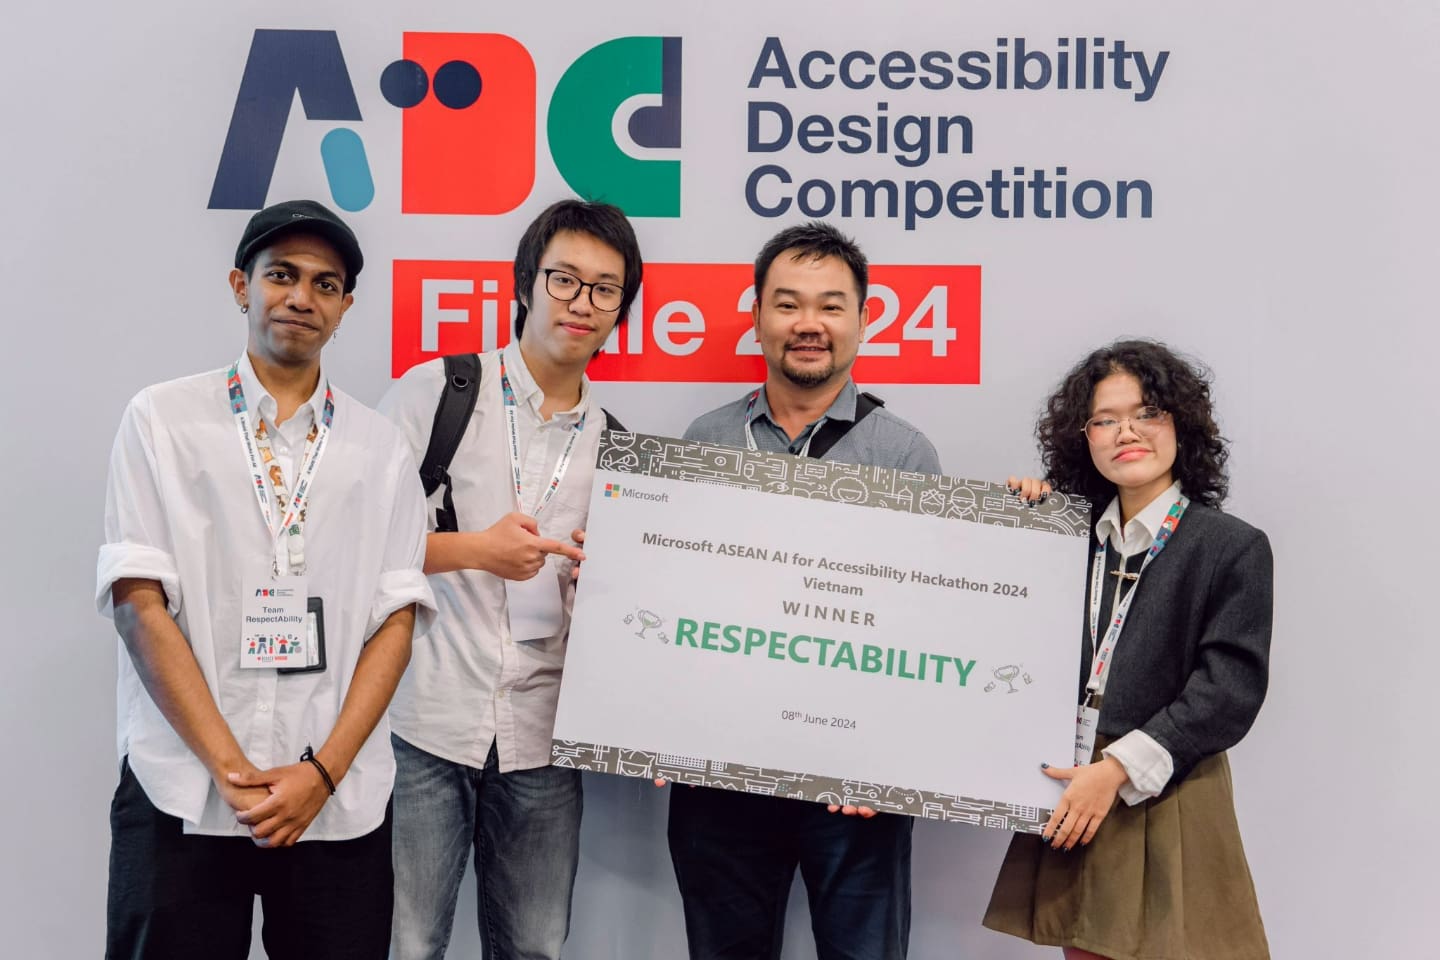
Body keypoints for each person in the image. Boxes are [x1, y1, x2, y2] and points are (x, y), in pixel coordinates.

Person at [97, 199, 436, 960]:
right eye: (281, 275)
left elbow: (398, 621)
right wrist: (231, 770)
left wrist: (322, 772)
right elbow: (138, 604)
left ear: (346, 306)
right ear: (240, 285)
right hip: (183, 789)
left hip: (335, 801)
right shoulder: (161, 421)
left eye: (325, 284)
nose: (300, 298)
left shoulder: (381, 451)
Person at [665, 221, 940, 960]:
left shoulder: (904, 454)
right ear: (756, 317)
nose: (808, 325)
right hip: (721, 774)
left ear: (861, 319)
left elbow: (924, 620)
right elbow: (671, 599)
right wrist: (648, 719)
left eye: (830, 306)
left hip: (856, 786)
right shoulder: (704, 440)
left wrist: (889, 760)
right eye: (787, 304)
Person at [377, 199, 643, 960]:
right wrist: (474, 551)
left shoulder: (620, 452)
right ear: (527, 281)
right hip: (424, 724)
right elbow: (354, 546)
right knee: (407, 943)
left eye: (603, 289)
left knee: (533, 949)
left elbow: (623, 617)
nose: (581, 302)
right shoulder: (439, 392)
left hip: (543, 740)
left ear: (620, 308)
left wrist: (609, 590)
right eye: (564, 279)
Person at [985, 339, 1272, 960]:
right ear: (1082, 437)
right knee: (1081, 951)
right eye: (1105, 420)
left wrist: (1115, 773)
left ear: (1181, 425)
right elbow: (998, 638)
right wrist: (1019, 526)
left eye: (1148, 413)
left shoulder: (1229, 545)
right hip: (1071, 785)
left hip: (1161, 790)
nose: (1127, 432)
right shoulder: (1064, 535)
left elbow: (1229, 693)